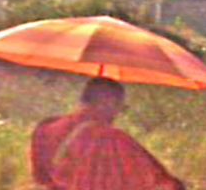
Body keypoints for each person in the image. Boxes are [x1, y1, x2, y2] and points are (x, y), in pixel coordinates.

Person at [31, 77, 186, 190]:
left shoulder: (46, 129)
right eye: (120, 107)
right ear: (108, 102)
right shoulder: (112, 137)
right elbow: (152, 178)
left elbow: (40, 177)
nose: (117, 114)